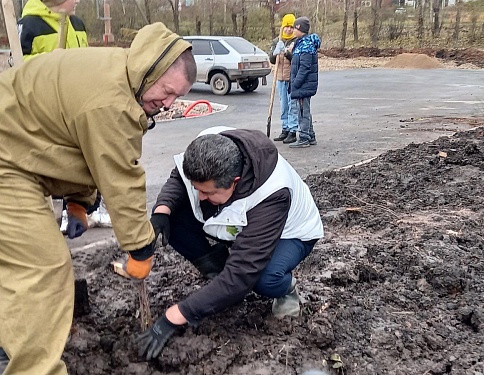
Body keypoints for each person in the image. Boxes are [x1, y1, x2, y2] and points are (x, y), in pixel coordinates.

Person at [0, 22, 196, 375]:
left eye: (175, 98)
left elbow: (75, 144)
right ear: (148, 69)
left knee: (14, 266)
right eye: (166, 91)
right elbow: (121, 179)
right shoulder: (112, 102)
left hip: (18, 151)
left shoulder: (119, 74)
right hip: (6, 162)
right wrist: (140, 248)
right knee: (43, 269)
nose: (167, 104)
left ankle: (7, 342)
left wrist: (78, 201)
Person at [137, 126, 324, 361]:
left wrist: (177, 314)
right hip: (237, 222)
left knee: (262, 278)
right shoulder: (210, 144)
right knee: (172, 218)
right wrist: (162, 211)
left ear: (234, 182)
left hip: (290, 233)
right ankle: (218, 276)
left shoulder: (273, 194)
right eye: (198, 189)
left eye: (207, 192)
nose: (200, 197)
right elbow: (179, 178)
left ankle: (286, 289)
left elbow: (242, 273)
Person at [17, 0, 88, 62]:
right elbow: (16, 63)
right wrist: (50, 59)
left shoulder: (78, 24)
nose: (78, 1)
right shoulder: (29, 24)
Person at [288, 16, 321, 148]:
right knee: (304, 110)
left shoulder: (306, 46)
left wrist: (296, 83)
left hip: (303, 84)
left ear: (300, 28)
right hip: (302, 84)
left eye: (294, 28)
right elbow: (297, 62)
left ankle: (304, 138)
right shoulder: (300, 44)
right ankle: (310, 135)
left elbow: (304, 67)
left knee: (302, 112)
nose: (292, 31)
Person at [269, 14, 298, 145]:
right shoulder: (277, 41)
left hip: (291, 78)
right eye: (286, 26)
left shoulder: (296, 41)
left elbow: (296, 60)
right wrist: (275, 52)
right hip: (280, 79)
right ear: (283, 27)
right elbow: (271, 60)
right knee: (283, 106)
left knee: (292, 105)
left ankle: (293, 131)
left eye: (291, 27)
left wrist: (287, 53)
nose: (288, 30)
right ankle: (285, 129)